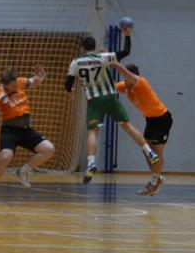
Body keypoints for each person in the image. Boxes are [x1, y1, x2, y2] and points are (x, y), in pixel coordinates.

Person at [65, 27, 159, 183]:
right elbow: (126, 51)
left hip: (94, 100)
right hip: (109, 97)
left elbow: (68, 84)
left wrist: (71, 92)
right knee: (127, 126)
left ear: (82, 48)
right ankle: (149, 152)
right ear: (94, 47)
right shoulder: (103, 57)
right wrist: (127, 35)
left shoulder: (75, 62)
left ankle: (91, 163)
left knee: (92, 132)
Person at [0, 67, 55, 202]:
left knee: (49, 149)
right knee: (6, 156)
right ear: (6, 85)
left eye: (16, 83)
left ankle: (23, 171)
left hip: (25, 130)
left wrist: (40, 78)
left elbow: (34, 81)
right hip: (10, 131)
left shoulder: (20, 82)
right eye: (13, 85)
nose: (16, 86)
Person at [111, 62, 173, 195]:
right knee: (147, 151)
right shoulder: (126, 85)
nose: (124, 80)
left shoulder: (140, 82)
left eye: (126, 77)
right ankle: (157, 178)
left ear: (131, 76)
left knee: (156, 152)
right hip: (150, 120)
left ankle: (153, 184)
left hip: (162, 118)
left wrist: (112, 62)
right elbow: (110, 87)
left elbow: (126, 73)